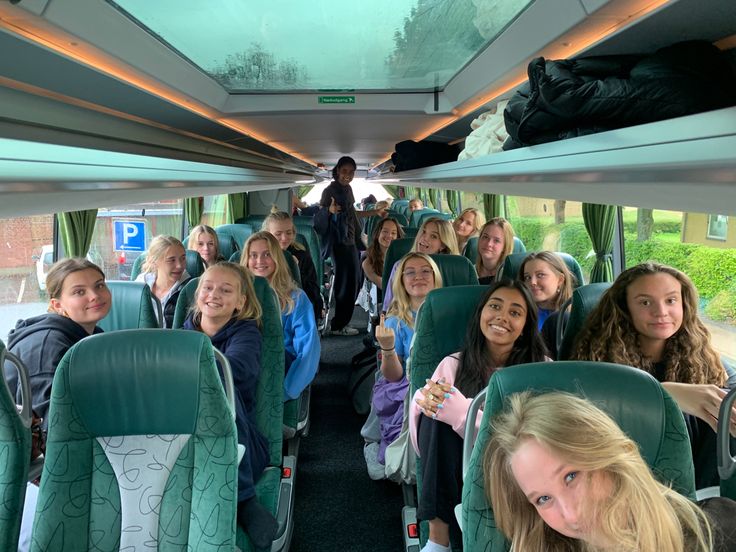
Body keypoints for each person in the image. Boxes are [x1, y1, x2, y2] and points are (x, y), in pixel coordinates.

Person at [485, 391, 736, 551]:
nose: (571, 515)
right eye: (543, 499)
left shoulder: (724, 529)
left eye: (571, 476)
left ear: (610, 457)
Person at [409, 280, 548, 551]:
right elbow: (421, 443)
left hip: (519, 467)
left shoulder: (542, 371)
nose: (502, 317)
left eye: (515, 312)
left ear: (524, 328)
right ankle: (438, 539)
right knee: (434, 416)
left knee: (447, 409)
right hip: (459, 466)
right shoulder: (453, 365)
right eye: (495, 306)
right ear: (481, 314)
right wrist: (420, 403)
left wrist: (465, 414)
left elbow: (540, 439)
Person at [572, 262, 736, 489]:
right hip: (639, 484)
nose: (661, 311)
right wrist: (665, 394)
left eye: (671, 300)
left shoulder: (700, 355)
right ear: (624, 307)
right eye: (645, 302)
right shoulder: (597, 360)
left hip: (707, 488)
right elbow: (590, 410)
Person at [4, 258, 111, 552]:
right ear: (56, 304)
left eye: (99, 285)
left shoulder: (89, 338)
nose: (95, 295)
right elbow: (58, 428)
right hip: (34, 473)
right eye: (79, 291)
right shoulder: (47, 347)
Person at [182, 262, 276, 549]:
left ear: (240, 302)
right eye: (208, 287)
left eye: (226, 290)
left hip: (241, 442)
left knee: (219, 393)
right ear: (198, 293)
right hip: (186, 432)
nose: (215, 294)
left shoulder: (246, 333)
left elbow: (236, 370)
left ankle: (245, 499)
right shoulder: (180, 335)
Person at [368, 253, 442, 477]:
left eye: (425, 271)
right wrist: (388, 348)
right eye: (410, 272)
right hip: (409, 386)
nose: (418, 277)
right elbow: (393, 376)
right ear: (401, 281)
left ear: (435, 277)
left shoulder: (451, 313)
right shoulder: (395, 321)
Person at [242, 231, 320, 401]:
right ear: (246, 261)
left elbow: (308, 351)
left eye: (267, 255)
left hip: (280, 368)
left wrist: (287, 391)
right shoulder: (237, 297)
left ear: (277, 259)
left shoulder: (297, 299)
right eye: (253, 255)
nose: (260, 261)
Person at [314, 156, 387, 336]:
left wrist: (374, 212)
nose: (348, 175)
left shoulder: (348, 189)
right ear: (337, 170)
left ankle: (342, 321)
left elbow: (353, 214)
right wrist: (328, 211)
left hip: (350, 242)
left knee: (355, 281)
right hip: (338, 244)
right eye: (344, 171)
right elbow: (319, 221)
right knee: (345, 284)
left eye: (351, 172)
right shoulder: (329, 191)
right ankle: (339, 325)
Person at [382, 217, 459, 311]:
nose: (424, 238)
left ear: (443, 245)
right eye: (423, 232)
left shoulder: (456, 270)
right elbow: (389, 307)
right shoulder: (400, 266)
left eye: (433, 236)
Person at [262, 208, 323, 322]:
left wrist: (296, 271)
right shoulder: (259, 258)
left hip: (294, 311)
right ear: (267, 235)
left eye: (288, 233)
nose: (284, 238)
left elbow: (313, 292)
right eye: (278, 234)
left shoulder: (301, 255)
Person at [519, 251, 575, 355]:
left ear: (560, 280)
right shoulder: (520, 316)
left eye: (540, 275)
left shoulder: (576, 316)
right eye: (527, 277)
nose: (532, 282)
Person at [135, 235, 191, 328]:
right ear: (154, 261)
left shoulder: (190, 289)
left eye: (183, 258)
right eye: (171, 260)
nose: (179, 266)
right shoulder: (140, 284)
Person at [362, 217, 404, 291]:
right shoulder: (367, 262)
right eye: (385, 231)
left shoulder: (403, 259)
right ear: (378, 234)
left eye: (393, 233)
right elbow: (384, 285)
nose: (389, 236)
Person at [476, 218, 515, 284]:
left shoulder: (510, 276)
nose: (489, 244)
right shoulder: (469, 272)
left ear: (505, 247)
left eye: (496, 240)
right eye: (485, 237)